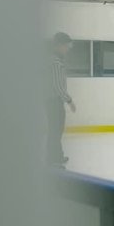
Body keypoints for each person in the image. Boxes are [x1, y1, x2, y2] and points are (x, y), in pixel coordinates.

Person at [46, 32, 77, 168]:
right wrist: (69, 101)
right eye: (66, 46)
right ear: (59, 45)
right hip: (54, 101)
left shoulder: (53, 60)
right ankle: (53, 159)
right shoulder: (56, 62)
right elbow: (58, 86)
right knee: (56, 130)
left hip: (52, 101)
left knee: (56, 129)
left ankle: (57, 156)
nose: (68, 49)